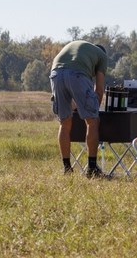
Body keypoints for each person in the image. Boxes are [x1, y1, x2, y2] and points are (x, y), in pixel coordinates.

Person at [50, 40, 108, 178]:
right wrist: (93, 110)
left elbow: (67, 78)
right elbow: (99, 90)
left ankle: (67, 168)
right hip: (77, 74)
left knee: (64, 122)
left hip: (55, 73)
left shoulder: (81, 49)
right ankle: (92, 168)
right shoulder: (102, 56)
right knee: (92, 121)